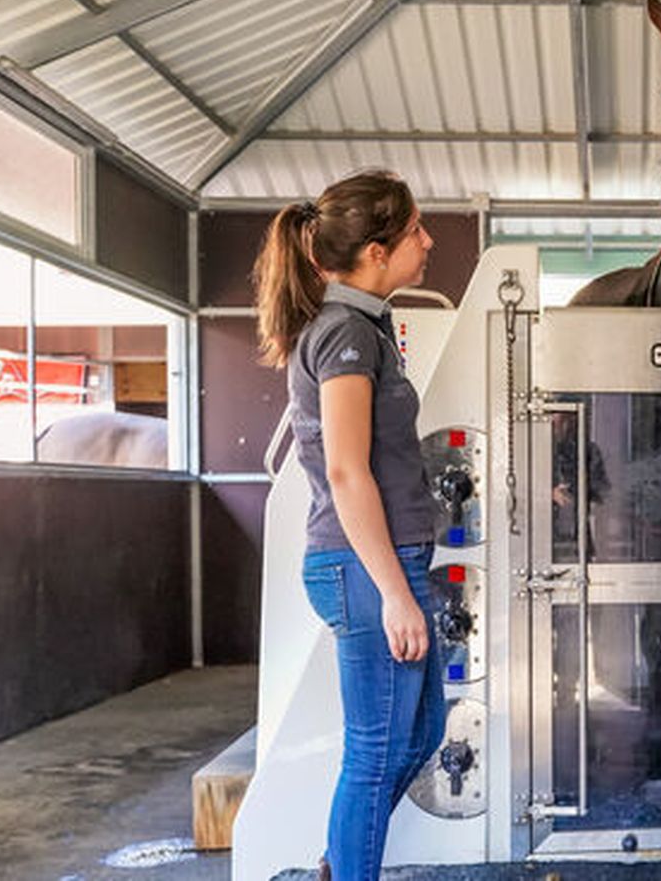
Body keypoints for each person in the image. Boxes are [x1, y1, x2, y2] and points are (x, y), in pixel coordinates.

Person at [253, 170, 442, 881]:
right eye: (416, 230)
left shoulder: (362, 326)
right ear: (374, 252)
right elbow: (344, 471)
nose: (428, 241)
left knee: (418, 733)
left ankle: (339, 864)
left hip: (384, 562)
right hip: (366, 567)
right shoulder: (344, 335)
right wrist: (393, 593)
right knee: (374, 753)